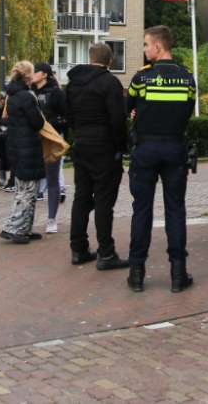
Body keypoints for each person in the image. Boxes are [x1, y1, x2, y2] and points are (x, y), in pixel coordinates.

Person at [125, 26, 196, 293]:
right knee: (175, 211)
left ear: (158, 47)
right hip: (175, 149)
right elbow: (187, 110)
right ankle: (178, 275)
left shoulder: (141, 79)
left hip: (145, 150)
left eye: (145, 45)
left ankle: (137, 275)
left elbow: (127, 108)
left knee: (141, 211)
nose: (144, 49)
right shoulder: (187, 79)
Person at [64, 43, 129, 270]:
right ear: (109, 61)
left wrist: (79, 133)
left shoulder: (73, 83)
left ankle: (78, 249)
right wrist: (121, 146)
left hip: (81, 144)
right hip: (103, 147)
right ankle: (106, 253)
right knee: (103, 201)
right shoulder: (110, 82)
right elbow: (117, 118)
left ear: (89, 58)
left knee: (82, 197)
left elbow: (68, 114)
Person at [0, 61, 47, 244]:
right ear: (28, 76)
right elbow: (37, 122)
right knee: (28, 190)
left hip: (16, 145)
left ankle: (25, 228)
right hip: (28, 146)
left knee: (22, 187)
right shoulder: (27, 96)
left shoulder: (12, 95)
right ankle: (13, 227)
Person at [32, 62, 67, 234]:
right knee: (31, 179)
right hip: (33, 139)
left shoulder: (56, 93)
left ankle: (51, 219)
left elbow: (68, 115)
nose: (32, 74)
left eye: (35, 72)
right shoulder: (29, 92)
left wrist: (54, 124)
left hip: (51, 139)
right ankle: (27, 219)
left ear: (44, 74)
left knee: (52, 178)